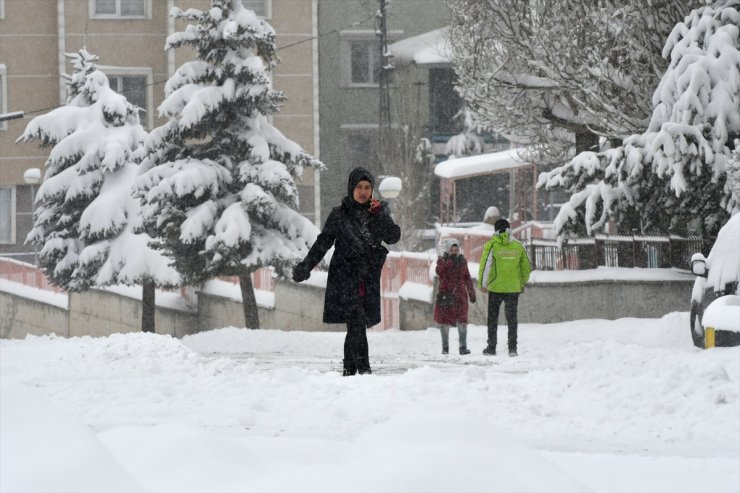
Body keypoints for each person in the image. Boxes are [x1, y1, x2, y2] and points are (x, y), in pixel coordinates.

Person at [292, 167, 401, 376]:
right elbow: (323, 242)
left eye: (367, 187)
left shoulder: (378, 213)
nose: (363, 191)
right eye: (359, 187)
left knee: (356, 324)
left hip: (367, 276)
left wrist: (382, 216)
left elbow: (393, 237)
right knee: (357, 319)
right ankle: (363, 367)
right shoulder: (339, 215)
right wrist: (306, 266)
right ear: (351, 188)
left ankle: (349, 368)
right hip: (345, 276)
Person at [478, 218, 531, 357]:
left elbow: (485, 266)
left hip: (495, 288)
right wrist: (522, 283)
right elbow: (526, 267)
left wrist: (482, 284)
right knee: (512, 319)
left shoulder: (491, 245)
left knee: (492, 318)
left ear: (495, 230)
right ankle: (512, 349)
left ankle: (491, 347)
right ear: (509, 229)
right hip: (513, 288)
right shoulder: (518, 246)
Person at [434, 240, 476, 355]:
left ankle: (463, 347)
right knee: (444, 323)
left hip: (460, 296)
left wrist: (471, 292)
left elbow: (467, 277)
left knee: (462, 322)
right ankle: (445, 348)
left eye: (456, 250)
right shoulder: (442, 260)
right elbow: (439, 272)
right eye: (452, 250)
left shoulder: (462, 261)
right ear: (448, 250)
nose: (454, 252)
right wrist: (447, 261)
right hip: (446, 296)